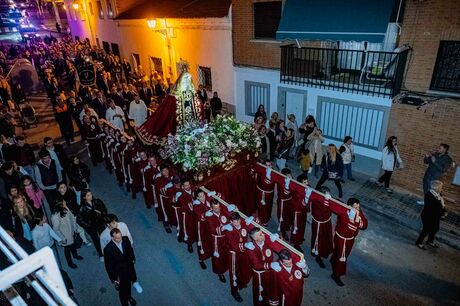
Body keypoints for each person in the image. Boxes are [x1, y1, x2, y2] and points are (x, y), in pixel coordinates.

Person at [330, 197, 368, 286]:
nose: (358, 208)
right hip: (342, 239)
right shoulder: (343, 211)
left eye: (358, 206)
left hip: (349, 239)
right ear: (349, 206)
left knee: (339, 253)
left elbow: (364, 225)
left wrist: (357, 217)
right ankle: (336, 275)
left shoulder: (359, 213)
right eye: (355, 206)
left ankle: (333, 261)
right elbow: (334, 206)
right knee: (342, 257)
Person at [103, 228, 143, 306]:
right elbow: (108, 266)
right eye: (117, 238)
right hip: (120, 273)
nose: (120, 239)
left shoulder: (125, 239)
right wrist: (114, 279)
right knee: (122, 290)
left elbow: (130, 250)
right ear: (112, 238)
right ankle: (124, 303)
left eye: (120, 236)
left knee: (128, 286)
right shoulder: (108, 249)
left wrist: (133, 259)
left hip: (129, 267)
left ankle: (129, 297)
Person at [223, 212, 252, 303]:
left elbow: (253, 226)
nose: (237, 222)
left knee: (243, 269)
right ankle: (234, 291)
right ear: (231, 221)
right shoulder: (229, 230)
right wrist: (245, 245)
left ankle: (241, 283)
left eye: (238, 220)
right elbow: (233, 246)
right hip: (234, 254)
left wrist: (252, 219)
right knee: (234, 273)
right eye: (235, 221)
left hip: (243, 253)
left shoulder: (242, 224)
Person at [245, 227, 275, 306]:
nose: (263, 235)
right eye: (260, 234)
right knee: (259, 292)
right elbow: (257, 265)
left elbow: (278, 245)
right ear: (255, 238)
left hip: (269, 272)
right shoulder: (251, 248)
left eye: (262, 233)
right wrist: (270, 265)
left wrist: (278, 238)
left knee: (269, 289)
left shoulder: (266, 241)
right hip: (259, 275)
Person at [205, 199, 231, 283]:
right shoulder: (209, 216)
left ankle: (226, 266)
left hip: (225, 237)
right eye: (215, 208)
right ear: (211, 208)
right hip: (216, 239)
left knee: (225, 253)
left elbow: (227, 218)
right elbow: (213, 229)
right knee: (218, 256)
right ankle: (220, 272)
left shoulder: (222, 211)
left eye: (219, 207)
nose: (218, 209)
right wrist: (224, 228)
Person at [51, 201, 83, 269]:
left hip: (71, 232)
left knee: (73, 245)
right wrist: (63, 238)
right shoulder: (55, 217)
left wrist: (75, 228)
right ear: (60, 206)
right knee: (67, 250)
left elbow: (72, 218)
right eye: (64, 203)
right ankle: (70, 263)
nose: (66, 204)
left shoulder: (66, 209)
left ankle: (75, 255)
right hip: (65, 236)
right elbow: (56, 230)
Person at [415, 180, 446, 249]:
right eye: (441, 187)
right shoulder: (429, 195)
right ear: (436, 188)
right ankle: (419, 242)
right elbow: (431, 206)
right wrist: (439, 201)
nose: (442, 188)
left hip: (436, 216)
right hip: (428, 215)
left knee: (435, 228)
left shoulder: (439, 194)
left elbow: (442, 204)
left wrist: (443, 212)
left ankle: (430, 241)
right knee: (426, 229)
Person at [78, 190, 107, 262]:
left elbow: (104, 209)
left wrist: (103, 215)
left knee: (104, 236)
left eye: (90, 194)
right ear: (84, 197)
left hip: (100, 223)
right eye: (88, 195)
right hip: (92, 227)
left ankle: (107, 250)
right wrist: (89, 225)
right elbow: (80, 220)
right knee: (96, 240)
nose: (90, 196)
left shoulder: (97, 201)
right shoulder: (82, 208)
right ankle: (101, 254)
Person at [310, 186, 333, 269]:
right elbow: (323, 210)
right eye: (327, 193)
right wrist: (326, 201)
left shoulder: (327, 199)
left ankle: (323, 252)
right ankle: (318, 256)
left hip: (326, 223)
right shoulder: (316, 201)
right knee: (319, 239)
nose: (329, 195)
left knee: (326, 238)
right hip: (319, 224)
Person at [255, 160, 275, 226]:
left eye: (270, 165)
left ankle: (267, 217)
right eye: (267, 165)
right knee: (263, 208)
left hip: (270, 193)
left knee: (269, 206)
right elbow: (264, 183)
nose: (269, 166)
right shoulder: (261, 172)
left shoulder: (274, 172)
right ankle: (263, 221)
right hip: (263, 194)